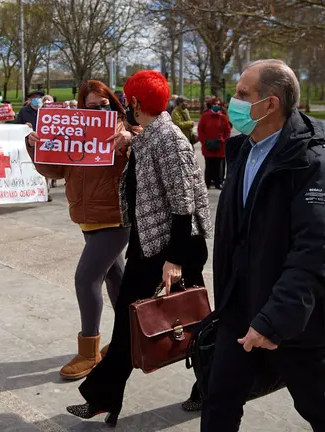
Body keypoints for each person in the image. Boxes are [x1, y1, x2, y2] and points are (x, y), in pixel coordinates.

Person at [202, 59, 325, 432]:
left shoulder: (311, 163)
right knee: (219, 398)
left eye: (241, 94)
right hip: (239, 308)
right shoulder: (244, 151)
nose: (232, 102)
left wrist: (274, 321)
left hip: (292, 319)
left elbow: (314, 253)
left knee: (317, 403)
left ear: (270, 104)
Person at [66, 70, 211, 426]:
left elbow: (183, 204)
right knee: (129, 324)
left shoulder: (170, 139)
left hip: (175, 247)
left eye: (127, 98)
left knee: (196, 322)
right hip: (148, 242)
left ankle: (210, 387)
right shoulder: (151, 135)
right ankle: (104, 398)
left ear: (134, 102)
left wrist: (175, 260)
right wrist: (128, 146)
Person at [25, 80, 137, 381]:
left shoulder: (127, 132)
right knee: (115, 277)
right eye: (91, 106)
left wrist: (127, 141)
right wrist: (38, 147)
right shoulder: (71, 131)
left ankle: (89, 351)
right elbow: (55, 170)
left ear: (114, 105)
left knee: (86, 278)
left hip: (117, 219)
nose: (99, 110)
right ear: (81, 108)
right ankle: (131, 339)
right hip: (87, 217)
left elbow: (143, 156)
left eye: (104, 105)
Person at [198, 97, 231, 189]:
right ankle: (207, 182)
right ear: (211, 105)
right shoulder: (205, 116)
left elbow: (227, 131)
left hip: (220, 145)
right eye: (215, 104)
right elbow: (200, 129)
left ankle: (218, 182)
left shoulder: (223, 117)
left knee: (218, 165)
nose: (216, 106)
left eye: (218, 104)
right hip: (208, 145)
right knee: (209, 164)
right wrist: (203, 141)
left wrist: (224, 140)